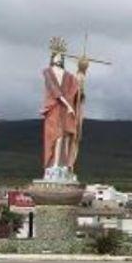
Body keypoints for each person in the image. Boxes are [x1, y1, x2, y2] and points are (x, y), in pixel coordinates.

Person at [40, 37, 80, 173]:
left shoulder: (68, 75)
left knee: (66, 136)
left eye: (61, 56)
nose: (59, 58)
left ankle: (64, 164)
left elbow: (77, 86)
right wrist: (68, 105)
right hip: (55, 108)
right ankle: (54, 164)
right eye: (57, 55)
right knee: (56, 135)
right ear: (52, 57)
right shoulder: (48, 72)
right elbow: (54, 90)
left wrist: (82, 70)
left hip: (66, 110)